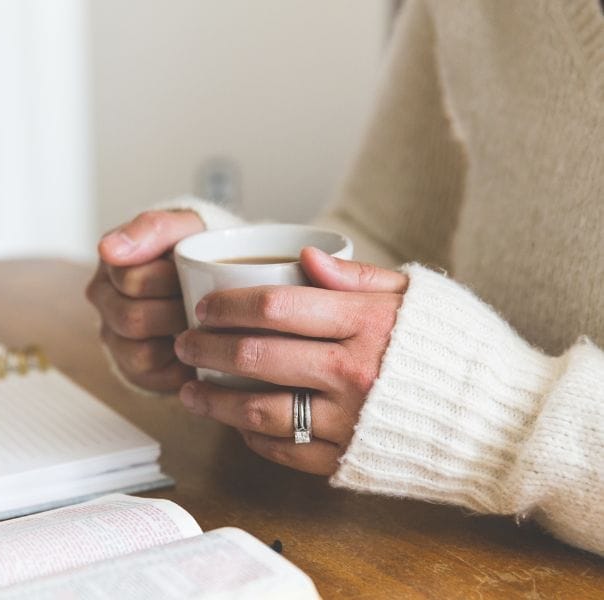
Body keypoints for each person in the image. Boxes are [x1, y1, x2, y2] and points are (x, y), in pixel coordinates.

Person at [86, 0, 603, 556]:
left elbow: (455, 389)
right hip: (436, 546)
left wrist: (499, 422)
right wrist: (228, 277)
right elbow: (378, 232)